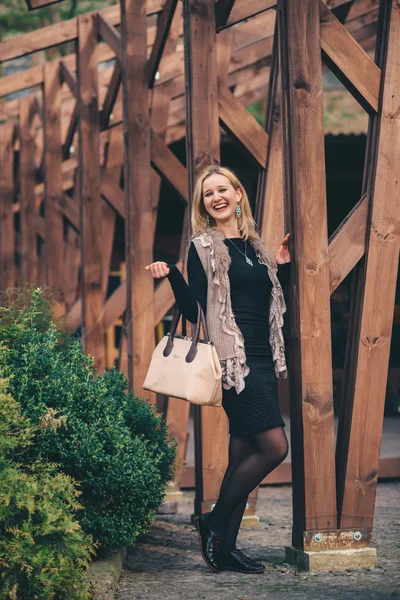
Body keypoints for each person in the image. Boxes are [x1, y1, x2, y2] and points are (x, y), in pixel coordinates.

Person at [145, 165, 291, 574]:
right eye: (208, 194)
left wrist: (284, 266)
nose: (216, 197)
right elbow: (194, 312)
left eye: (222, 189)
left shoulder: (258, 249)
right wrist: (173, 275)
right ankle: (211, 520)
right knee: (275, 448)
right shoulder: (202, 246)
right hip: (234, 362)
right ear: (204, 205)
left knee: (244, 452)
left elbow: (271, 302)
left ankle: (224, 548)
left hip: (262, 355)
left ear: (239, 194)